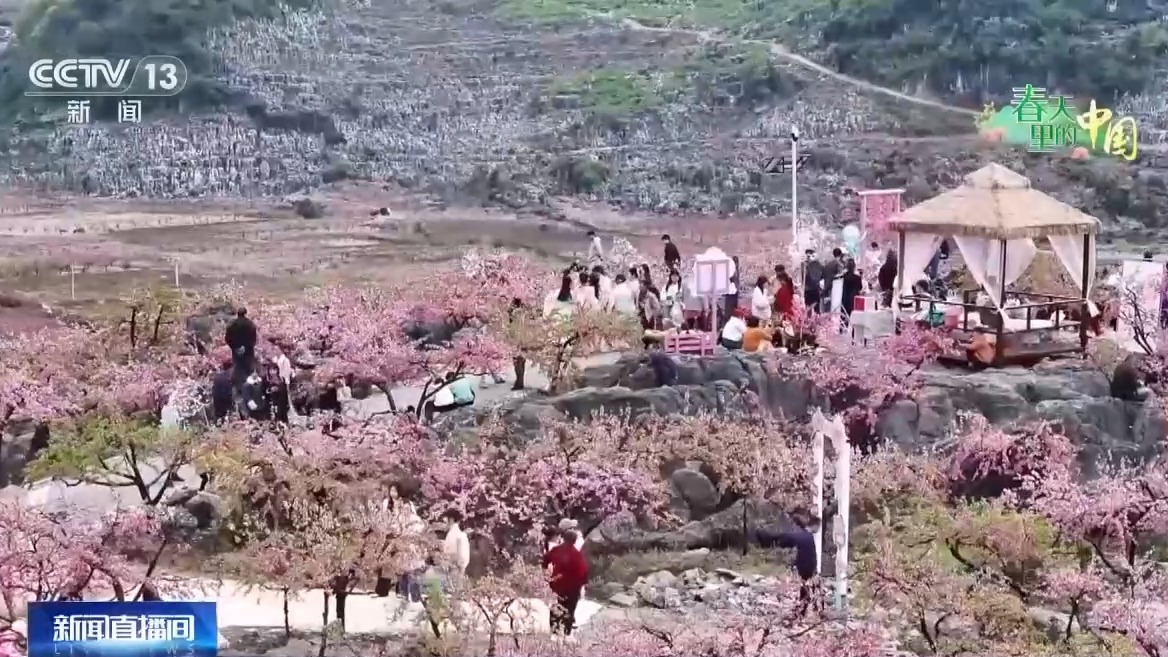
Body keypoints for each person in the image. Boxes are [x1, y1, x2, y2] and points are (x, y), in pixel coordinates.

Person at [756, 511, 820, 616]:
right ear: (813, 526)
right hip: (806, 568)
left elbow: (785, 542)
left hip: (803, 567)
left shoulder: (803, 535)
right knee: (806, 591)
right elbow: (809, 556)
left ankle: (802, 611)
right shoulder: (806, 536)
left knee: (805, 590)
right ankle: (803, 611)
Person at [543, 528, 588, 640]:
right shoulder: (577, 554)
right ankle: (567, 633)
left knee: (556, 607)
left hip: (557, 584)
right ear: (574, 541)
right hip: (573, 587)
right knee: (570, 609)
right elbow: (583, 571)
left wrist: (547, 575)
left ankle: (554, 632)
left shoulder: (556, 550)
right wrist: (583, 585)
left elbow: (545, 560)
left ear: (563, 538)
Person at [225, 308, 258, 383]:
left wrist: (234, 347)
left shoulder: (232, 325)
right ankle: (248, 385)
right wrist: (246, 347)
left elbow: (227, 338)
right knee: (248, 367)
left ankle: (238, 384)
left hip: (236, 350)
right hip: (248, 350)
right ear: (245, 314)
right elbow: (253, 338)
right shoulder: (250, 324)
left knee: (238, 367)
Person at [442, 509, 471, 576]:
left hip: (455, 571)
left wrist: (460, 572)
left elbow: (463, 558)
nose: (442, 525)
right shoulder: (451, 534)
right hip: (449, 571)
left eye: (444, 522)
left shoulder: (460, 535)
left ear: (451, 520)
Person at [508, 298, 528, 390]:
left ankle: (518, 382)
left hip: (516, 338)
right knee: (522, 361)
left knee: (516, 361)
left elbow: (512, 327)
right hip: (525, 338)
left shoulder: (514, 313)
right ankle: (521, 381)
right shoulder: (524, 312)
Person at [820, 249, 844, 313]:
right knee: (833, 305)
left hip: (826, 286)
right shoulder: (838, 264)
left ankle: (825, 315)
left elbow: (823, 274)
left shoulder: (828, 263)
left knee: (826, 303)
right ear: (840, 255)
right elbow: (840, 275)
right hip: (834, 287)